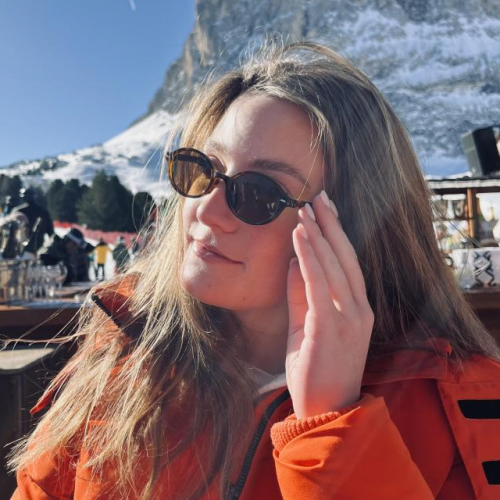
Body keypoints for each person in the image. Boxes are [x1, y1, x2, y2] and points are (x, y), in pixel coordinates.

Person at [8, 41, 500, 500]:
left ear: (355, 230)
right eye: (203, 169)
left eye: (260, 193)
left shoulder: (465, 406)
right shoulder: (127, 345)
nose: (207, 209)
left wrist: (331, 426)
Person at [12, 187, 54, 254]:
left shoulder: (18, 211)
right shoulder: (43, 212)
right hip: (35, 249)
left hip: (21, 250)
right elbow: (51, 232)